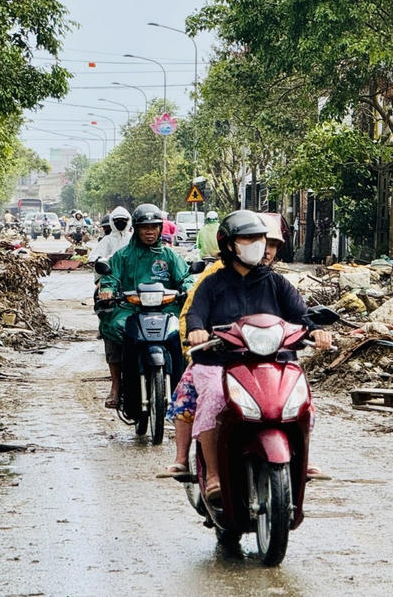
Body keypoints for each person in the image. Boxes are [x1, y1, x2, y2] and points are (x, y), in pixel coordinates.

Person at [165, 211, 331, 497]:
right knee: (215, 397)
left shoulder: (277, 283)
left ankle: (302, 459)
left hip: (270, 361)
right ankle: (214, 475)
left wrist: (316, 331)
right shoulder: (212, 283)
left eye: (261, 239)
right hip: (219, 361)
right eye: (248, 238)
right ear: (230, 245)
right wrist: (196, 330)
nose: (258, 245)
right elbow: (196, 313)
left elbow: (301, 315)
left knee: (299, 397)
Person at [96, 204, 194, 408]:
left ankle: (184, 383)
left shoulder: (169, 256)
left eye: (154, 227)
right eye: (144, 227)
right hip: (131, 308)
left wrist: (189, 287)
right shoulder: (123, 255)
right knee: (111, 324)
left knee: (185, 331)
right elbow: (110, 278)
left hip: (165, 308)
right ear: (137, 229)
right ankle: (116, 385)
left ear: (160, 229)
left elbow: (185, 277)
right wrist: (107, 289)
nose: (150, 232)